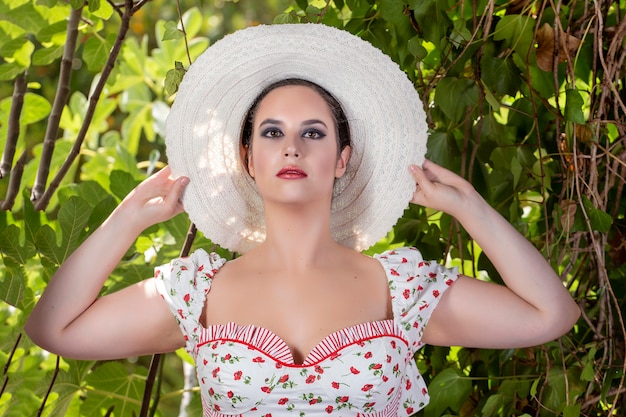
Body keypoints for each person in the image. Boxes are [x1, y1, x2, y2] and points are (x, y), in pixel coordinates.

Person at [25, 24, 579, 416]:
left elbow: (549, 315)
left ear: (341, 159)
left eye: (313, 132)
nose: (292, 148)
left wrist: (471, 208)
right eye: (272, 132)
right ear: (248, 158)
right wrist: (125, 222)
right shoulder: (197, 293)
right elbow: (53, 330)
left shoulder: (401, 289)